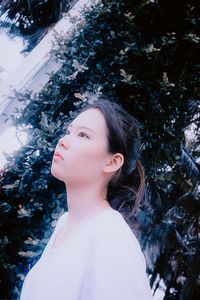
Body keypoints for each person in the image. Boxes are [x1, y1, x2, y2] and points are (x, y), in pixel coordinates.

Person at [20, 97, 153, 299]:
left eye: (83, 135)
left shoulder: (113, 240)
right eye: (69, 131)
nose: (63, 141)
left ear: (112, 162)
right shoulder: (66, 223)